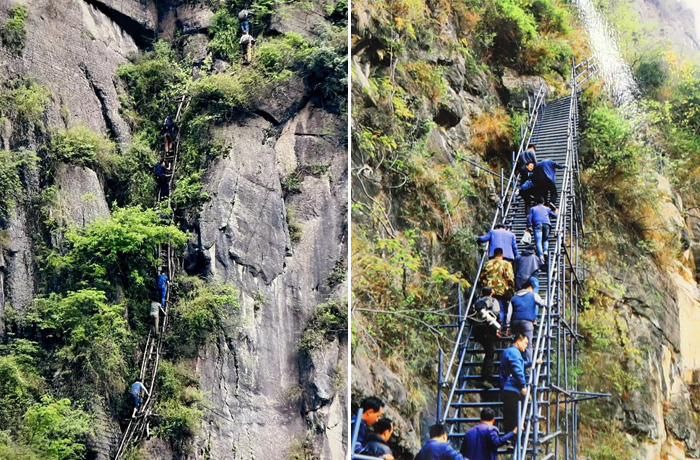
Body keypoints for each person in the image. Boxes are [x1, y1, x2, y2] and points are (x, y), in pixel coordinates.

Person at [499, 333, 536, 434]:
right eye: (525, 343)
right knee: (513, 414)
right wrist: (523, 386)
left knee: (510, 414)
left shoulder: (510, 352)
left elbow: (520, 364)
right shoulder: (514, 353)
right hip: (512, 387)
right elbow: (518, 370)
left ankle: (511, 437)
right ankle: (513, 438)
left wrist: (533, 362)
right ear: (518, 341)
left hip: (508, 386)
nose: (526, 346)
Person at [509, 280, 547, 361]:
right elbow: (543, 303)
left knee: (515, 343)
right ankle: (529, 367)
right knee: (528, 345)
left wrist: (507, 326)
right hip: (527, 322)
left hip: (514, 322)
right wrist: (551, 303)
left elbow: (509, 314)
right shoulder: (533, 295)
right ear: (530, 287)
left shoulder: (513, 298)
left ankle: (513, 362)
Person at [478, 248, 514, 332]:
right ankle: (501, 327)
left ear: (494, 254)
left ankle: (492, 326)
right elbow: (510, 278)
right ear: (502, 254)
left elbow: (481, 278)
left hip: (489, 291)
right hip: (502, 290)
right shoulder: (506, 264)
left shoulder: (487, 264)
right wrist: (511, 289)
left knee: (490, 309)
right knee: (501, 309)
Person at [471, 287, 501, 388]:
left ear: (482, 293)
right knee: (490, 352)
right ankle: (486, 378)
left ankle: (484, 377)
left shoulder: (477, 302)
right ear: (491, 294)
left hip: (477, 329)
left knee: (487, 349)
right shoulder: (493, 301)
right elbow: (496, 313)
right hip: (488, 329)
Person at [527, 198, 558, 264]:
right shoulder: (547, 208)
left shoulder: (533, 209)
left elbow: (530, 218)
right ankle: (545, 251)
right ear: (543, 202)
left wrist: (528, 226)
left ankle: (541, 255)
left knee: (538, 241)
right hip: (546, 224)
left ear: (536, 202)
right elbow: (555, 216)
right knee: (545, 239)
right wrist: (556, 211)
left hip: (537, 224)